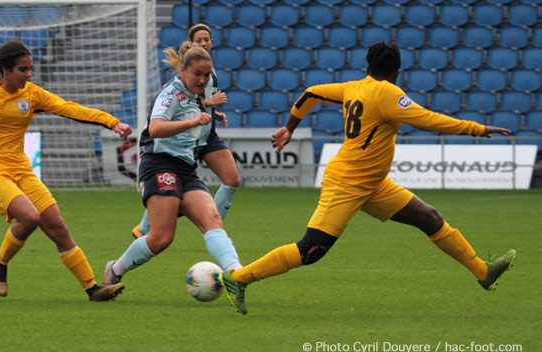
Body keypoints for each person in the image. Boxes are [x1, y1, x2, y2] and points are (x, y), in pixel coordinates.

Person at [218, 42, 517, 315]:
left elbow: (310, 94)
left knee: (429, 217)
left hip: (373, 184)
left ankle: (482, 271)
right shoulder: (388, 93)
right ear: (397, 72)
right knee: (311, 250)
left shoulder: (354, 87)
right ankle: (238, 278)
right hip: (347, 183)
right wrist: (478, 129)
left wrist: (289, 128)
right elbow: (429, 119)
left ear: (367, 67)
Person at [0, 39, 131, 301]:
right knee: (29, 217)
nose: (28, 74)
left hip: (21, 169)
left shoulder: (31, 94)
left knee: (58, 228)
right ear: (5, 70)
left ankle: (93, 289)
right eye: (23, 69)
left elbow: (68, 108)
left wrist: (111, 122)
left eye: (30, 68)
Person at [103, 45, 242, 287]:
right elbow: (155, 128)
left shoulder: (196, 93)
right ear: (183, 70)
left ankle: (237, 275)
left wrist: (209, 113)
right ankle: (115, 270)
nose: (202, 80)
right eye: (197, 74)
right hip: (159, 164)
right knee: (161, 238)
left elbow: (193, 109)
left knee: (212, 219)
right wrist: (192, 121)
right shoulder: (170, 94)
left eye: (206, 75)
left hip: (185, 168)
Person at [132, 23, 240, 238]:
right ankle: (145, 228)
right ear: (191, 43)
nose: (203, 43)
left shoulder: (210, 72)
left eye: (206, 39)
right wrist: (211, 103)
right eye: (198, 40)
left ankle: (212, 227)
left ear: (212, 41)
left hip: (208, 133)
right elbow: (184, 105)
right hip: (192, 137)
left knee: (232, 179)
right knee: (174, 189)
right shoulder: (184, 78)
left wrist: (214, 112)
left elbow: (196, 102)